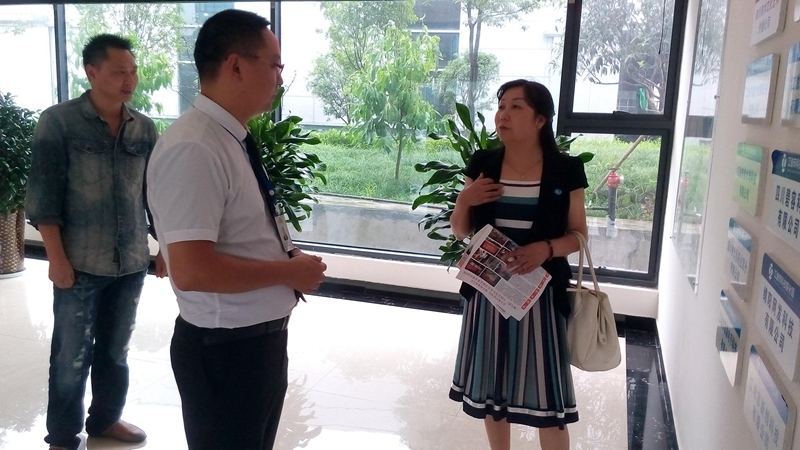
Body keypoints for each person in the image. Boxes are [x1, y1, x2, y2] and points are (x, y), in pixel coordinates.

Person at [146, 9, 327, 450]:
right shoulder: (195, 147)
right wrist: (289, 272)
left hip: (253, 344)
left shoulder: (228, 136)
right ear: (236, 66)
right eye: (276, 64)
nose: (281, 78)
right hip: (225, 351)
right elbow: (192, 270)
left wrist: (286, 259)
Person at [25, 34, 166, 450]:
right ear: (91, 71)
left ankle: (105, 420)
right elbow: (44, 197)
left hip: (131, 261)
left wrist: (165, 248)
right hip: (79, 262)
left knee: (116, 351)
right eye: (120, 72)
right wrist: (56, 259)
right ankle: (63, 436)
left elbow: (156, 195)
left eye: (133, 71)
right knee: (70, 356)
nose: (130, 80)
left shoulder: (144, 127)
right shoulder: (59, 122)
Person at [448, 79, 589, 450]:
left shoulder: (565, 170)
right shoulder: (483, 164)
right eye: (501, 107)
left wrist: (545, 249)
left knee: (549, 400)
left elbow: (579, 236)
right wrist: (464, 200)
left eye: (516, 107)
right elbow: (460, 231)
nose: (503, 115)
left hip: (541, 297)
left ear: (540, 119)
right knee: (493, 397)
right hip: (489, 295)